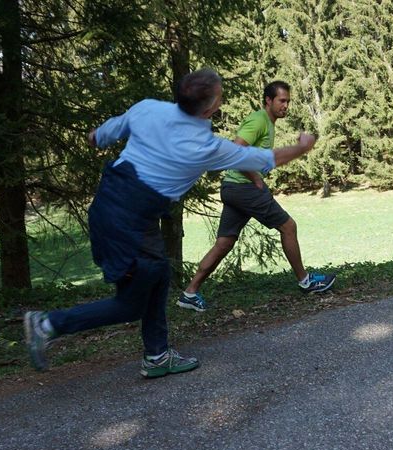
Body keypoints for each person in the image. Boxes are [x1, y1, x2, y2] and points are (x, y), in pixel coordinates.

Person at [23, 69, 317, 377]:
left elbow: (101, 135)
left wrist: (97, 136)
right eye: (220, 97)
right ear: (209, 108)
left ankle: (158, 355)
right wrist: (302, 147)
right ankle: (47, 323)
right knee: (130, 304)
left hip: (112, 204)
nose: (222, 102)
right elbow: (263, 159)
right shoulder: (204, 147)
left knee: (159, 273)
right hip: (128, 222)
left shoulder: (148, 108)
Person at [177, 81, 335, 313]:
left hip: (233, 188)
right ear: (268, 101)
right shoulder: (259, 120)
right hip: (243, 189)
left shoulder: (268, 124)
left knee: (224, 243)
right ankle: (305, 281)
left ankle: (189, 293)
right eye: (282, 101)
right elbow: (235, 149)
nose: (286, 106)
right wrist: (256, 179)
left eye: (288, 101)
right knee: (288, 227)